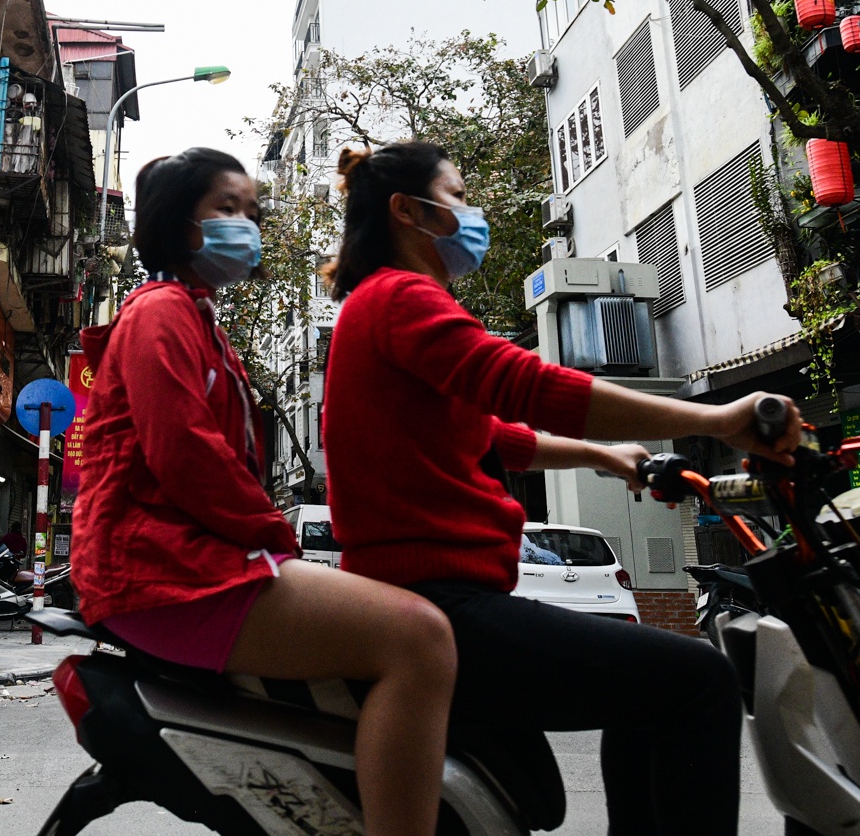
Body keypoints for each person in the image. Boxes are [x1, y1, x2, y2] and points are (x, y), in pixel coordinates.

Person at [320, 142, 803, 836]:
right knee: (698, 679)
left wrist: (605, 457)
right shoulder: (401, 298)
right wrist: (718, 420)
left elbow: (489, 433)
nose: (470, 212)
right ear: (408, 210)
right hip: (441, 605)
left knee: (654, 687)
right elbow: (530, 388)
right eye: (457, 196)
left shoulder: (379, 307)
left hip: (440, 596)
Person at [70, 147, 458, 836]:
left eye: (251, 211)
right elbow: (186, 455)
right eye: (227, 209)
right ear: (179, 224)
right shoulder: (159, 312)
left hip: (188, 560)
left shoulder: (201, 321)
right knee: (420, 638)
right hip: (160, 570)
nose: (245, 224)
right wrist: (278, 541)